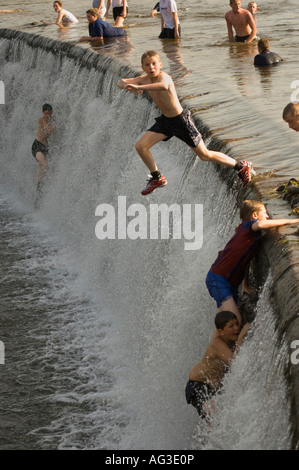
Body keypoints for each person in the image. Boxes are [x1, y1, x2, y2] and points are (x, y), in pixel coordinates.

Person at [117, 50, 255, 196]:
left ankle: (241, 166)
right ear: (143, 67)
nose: (151, 67)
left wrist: (138, 87)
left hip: (181, 121)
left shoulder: (165, 77)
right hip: (165, 121)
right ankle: (157, 177)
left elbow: (162, 86)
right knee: (140, 146)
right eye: (147, 65)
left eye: (154, 64)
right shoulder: (143, 79)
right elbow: (121, 82)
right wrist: (130, 87)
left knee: (204, 155)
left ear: (160, 64)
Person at [206, 200, 299, 324]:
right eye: (264, 213)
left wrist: (245, 285)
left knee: (225, 323)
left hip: (225, 281)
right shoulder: (249, 226)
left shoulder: (244, 233)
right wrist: (292, 221)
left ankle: (217, 343)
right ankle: (236, 344)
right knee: (235, 321)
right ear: (254, 215)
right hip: (219, 279)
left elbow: (245, 262)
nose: (267, 216)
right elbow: (260, 225)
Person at [186, 311, 251, 418]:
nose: (236, 328)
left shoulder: (228, 338)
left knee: (218, 415)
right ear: (221, 332)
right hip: (197, 385)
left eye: (237, 324)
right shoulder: (217, 342)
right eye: (231, 326)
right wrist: (241, 338)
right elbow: (236, 362)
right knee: (212, 411)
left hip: (213, 387)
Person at [31, 104, 57, 191]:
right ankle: (40, 185)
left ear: (52, 112)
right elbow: (49, 129)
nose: (48, 115)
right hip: (37, 146)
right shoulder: (41, 119)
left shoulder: (52, 119)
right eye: (46, 113)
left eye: (49, 113)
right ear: (43, 113)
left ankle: (39, 188)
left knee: (40, 168)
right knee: (45, 164)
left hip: (45, 147)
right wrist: (57, 125)